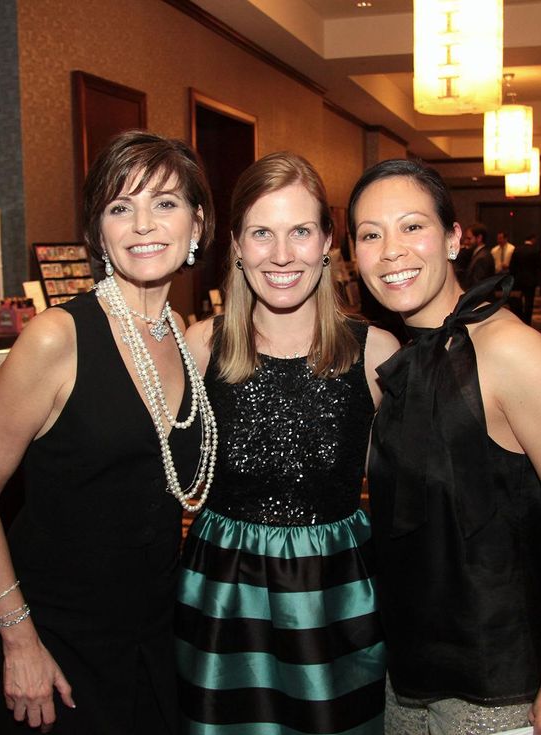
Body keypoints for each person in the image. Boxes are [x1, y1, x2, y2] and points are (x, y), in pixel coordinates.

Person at [0, 130, 217, 734]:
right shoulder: (57, 337)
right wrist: (17, 639)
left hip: (153, 630)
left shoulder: (179, 332)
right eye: (121, 207)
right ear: (99, 233)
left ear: (197, 224)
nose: (143, 224)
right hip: (59, 639)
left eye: (166, 203)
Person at [347, 159, 541, 735]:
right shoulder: (398, 360)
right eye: (371, 234)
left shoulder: (513, 351)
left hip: (500, 689)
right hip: (408, 677)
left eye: (412, 226)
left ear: (452, 238)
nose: (392, 250)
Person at [176, 152, 399, 734]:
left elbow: (420, 494)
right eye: (261, 233)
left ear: (328, 242)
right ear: (237, 246)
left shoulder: (375, 353)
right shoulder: (202, 347)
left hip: (337, 594)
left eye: (300, 231)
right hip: (224, 593)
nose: (281, 255)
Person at [509, 234, 541, 325]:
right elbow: (540, 265)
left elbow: (512, 267)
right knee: (529, 302)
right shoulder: (536, 250)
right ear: (533, 239)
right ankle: (527, 322)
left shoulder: (517, 249)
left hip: (519, 280)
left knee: (518, 302)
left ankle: (519, 320)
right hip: (531, 280)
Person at [461, 223, 496, 289]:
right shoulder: (480, 254)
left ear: (479, 238)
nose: (465, 242)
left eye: (469, 238)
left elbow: (477, 288)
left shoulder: (482, 258)